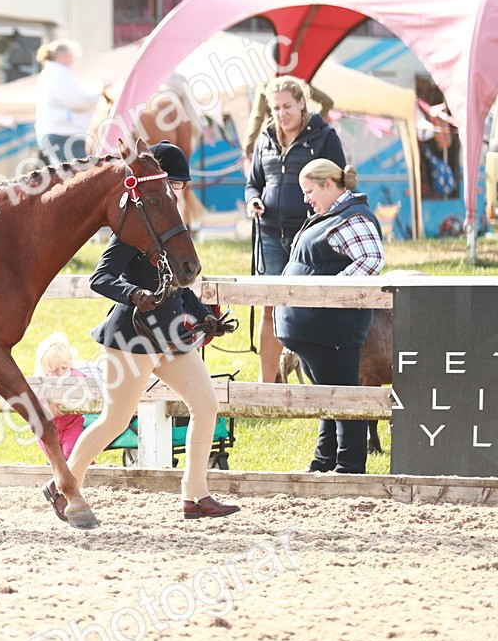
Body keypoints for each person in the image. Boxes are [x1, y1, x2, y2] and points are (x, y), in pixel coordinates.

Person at [44, 142, 240, 523]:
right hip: (130, 338)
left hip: (171, 337)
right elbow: (100, 278)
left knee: (206, 405)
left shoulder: (170, 225)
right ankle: (61, 484)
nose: (178, 192)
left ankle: (195, 495)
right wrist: (133, 293)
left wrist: (205, 318)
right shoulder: (134, 228)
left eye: (181, 185)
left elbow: (180, 283)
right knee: (115, 420)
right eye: (175, 184)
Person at [275, 159, 384, 474]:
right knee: (330, 397)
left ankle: (349, 467)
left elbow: (372, 258)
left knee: (343, 398)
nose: (306, 198)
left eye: (309, 191)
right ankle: (325, 462)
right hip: (314, 328)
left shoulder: (350, 218)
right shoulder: (331, 216)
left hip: (331, 328)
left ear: (327, 185)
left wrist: (331, 293)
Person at [245, 75, 346, 383]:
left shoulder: (324, 136)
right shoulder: (265, 139)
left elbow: (340, 186)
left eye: (287, 105)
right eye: (275, 107)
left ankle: (318, 381)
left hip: (311, 236)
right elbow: (253, 184)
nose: (281, 113)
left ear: (302, 103)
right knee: (269, 308)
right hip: (270, 235)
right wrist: (253, 202)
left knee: (309, 307)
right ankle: (268, 384)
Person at [34, 40, 105, 165]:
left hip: (56, 132)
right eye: (70, 56)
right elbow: (77, 102)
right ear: (61, 56)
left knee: (64, 175)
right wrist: (99, 94)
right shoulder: (59, 74)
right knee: (80, 174)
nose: (72, 60)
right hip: (64, 134)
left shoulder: (50, 73)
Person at [33, 334, 89, 461]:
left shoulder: (75, 375)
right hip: (48, 426)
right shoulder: (42, 380)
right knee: (55, 458)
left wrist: (64, 400)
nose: (59, 374)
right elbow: (36, 395)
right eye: (53, 371)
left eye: (64, 368)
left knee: (71, 452)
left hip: (71, 425)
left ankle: (88, 467)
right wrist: (48, 403)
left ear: (70, 362)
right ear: (44, 369)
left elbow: (83, 389)